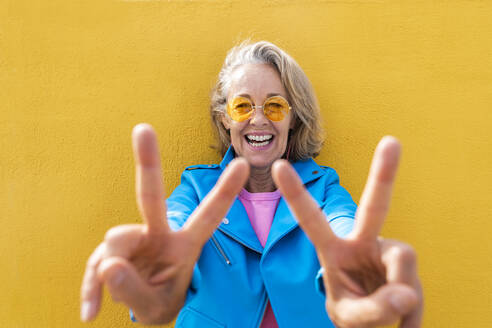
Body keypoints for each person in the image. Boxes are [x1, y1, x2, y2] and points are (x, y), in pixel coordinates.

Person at [80, 41, 423, 327]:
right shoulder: (197, 187)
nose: (258, 119)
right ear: (224, 118)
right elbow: (174, 220)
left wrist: (361, 262)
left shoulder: (324, 188)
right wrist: (153, 266)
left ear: (294, 117)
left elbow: (344, 226)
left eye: (274, 106)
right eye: (242, 105)